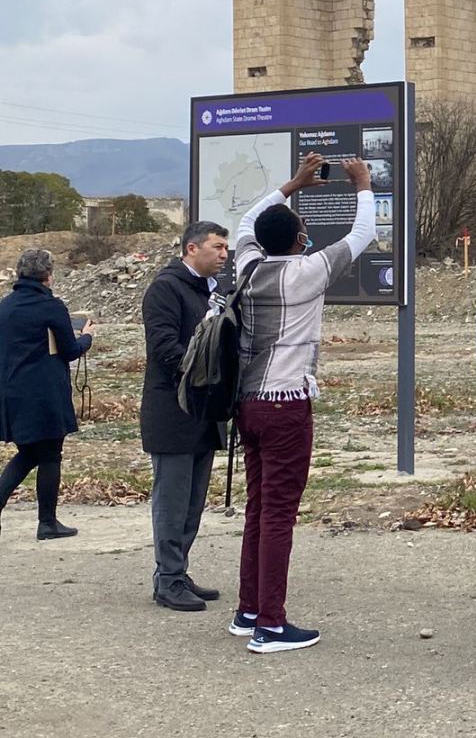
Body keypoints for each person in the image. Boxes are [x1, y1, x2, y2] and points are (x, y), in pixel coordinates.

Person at [230, 152, 375, 654]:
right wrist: (362, 184)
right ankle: (270, 623)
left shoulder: (247, 266)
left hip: (248, 404)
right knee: (278, 515)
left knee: (258, 508)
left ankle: (248, 610)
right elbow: (361, 237)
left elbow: (247, 221)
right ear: (298, 239)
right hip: (286, 405)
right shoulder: (307, 272)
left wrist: (291, 186)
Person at [141, 220, 230, 612]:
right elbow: (164, 347)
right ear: (192, 249)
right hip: (173, 410)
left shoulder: (213, 292)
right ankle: (168, 579)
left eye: (226, 247)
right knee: (172, 500)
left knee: (193, 502)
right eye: (217, 246)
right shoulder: (165, 288)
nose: (224, 254)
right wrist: (205, 373)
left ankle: (177, 571)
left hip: (204, 412)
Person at [0, 248, 94, 541]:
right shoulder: (51, 307)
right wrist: (88, 336)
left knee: (29, 452)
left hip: (11, 390)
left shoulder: (4, 306)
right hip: (44, 393)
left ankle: (45, 521)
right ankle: (47, 522)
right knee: (50, 454)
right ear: (48, 276)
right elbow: (70, 351)